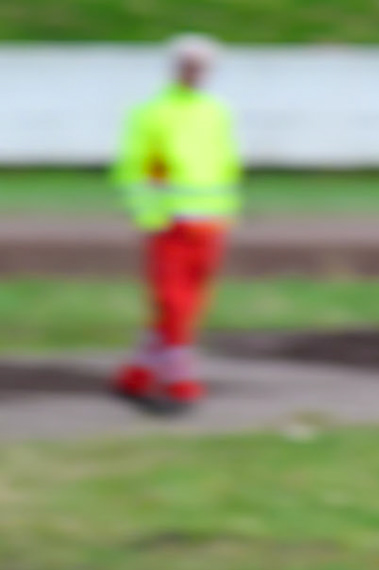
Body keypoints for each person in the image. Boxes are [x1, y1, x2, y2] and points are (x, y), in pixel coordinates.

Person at [109, 34, 241, 413]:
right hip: (171, 225)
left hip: (211, 224)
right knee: (173, 300)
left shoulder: (217, 112)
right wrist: (151, 215)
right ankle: (181, 376)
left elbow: (225, 165)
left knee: (190, 303)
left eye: (202, 66)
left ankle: (137, 373)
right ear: (175, 67)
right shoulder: (151, 113)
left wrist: (226, 213)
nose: (196, 72)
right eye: (189, 65)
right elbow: (132, 170)